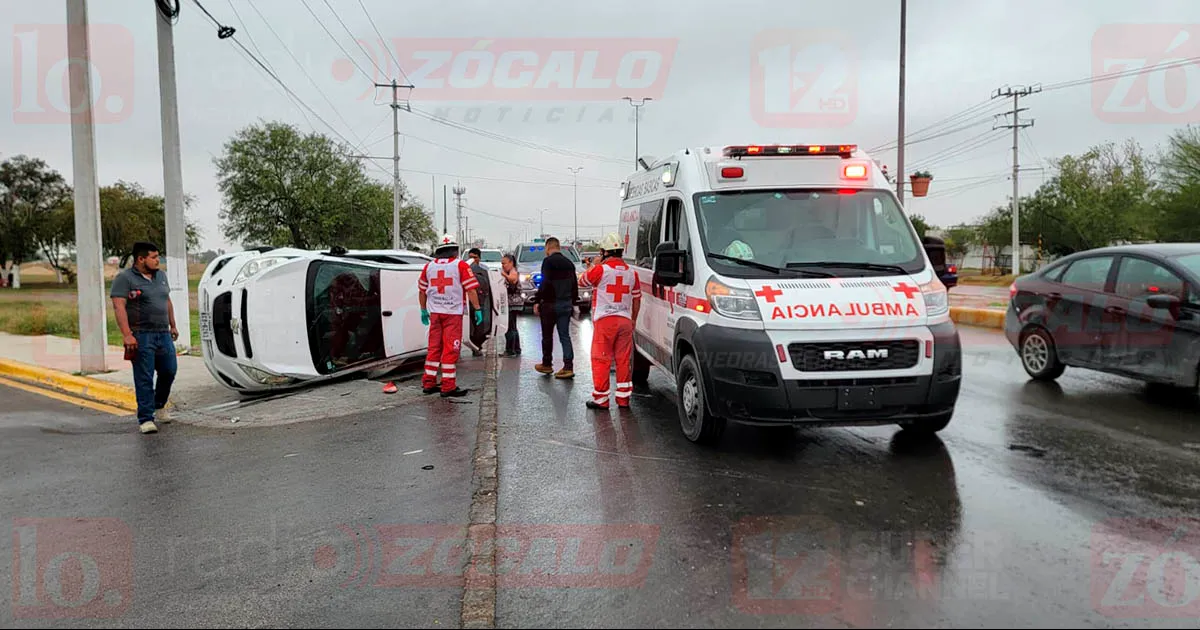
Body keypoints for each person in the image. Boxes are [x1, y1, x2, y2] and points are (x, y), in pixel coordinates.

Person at [382, 234, 482, 397]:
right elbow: (471, 289)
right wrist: (477, 309)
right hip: (452, 314)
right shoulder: (460, 266)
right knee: (451, 349)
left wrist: (423, 309)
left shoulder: (429, 267)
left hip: (435, 314)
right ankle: (448, 386)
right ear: (455, 251)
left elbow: (422, 290)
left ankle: (429, 382)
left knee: (434, 348)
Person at [110, 242, 178, 434]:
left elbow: (167, 300)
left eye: (158, 257)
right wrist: (127, 335)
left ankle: (159, 405)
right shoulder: (125, 279)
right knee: (144, 377)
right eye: (154, 257)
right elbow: (119, 306)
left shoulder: (161, 276)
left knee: (169, 371)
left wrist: (172, 325)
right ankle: (146, 418)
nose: (158, 260)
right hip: (141, 335)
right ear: (141, 259)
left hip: (163, 333)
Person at [580, 233, 641, 410]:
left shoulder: (600, 270)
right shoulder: (632, 273)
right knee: (623, 360)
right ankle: (623, 399)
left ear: (604, 252)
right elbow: (637, 299)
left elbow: (582, 281)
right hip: (625, 320)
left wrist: (594, 266)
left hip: (604, 320)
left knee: (601, 359)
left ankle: (601, 399)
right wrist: (633, 320)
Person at [532, 237, 578, 379]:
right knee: (565, 336)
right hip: (565, 304)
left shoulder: (548, 262)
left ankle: (547, 364)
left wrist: (538, 300)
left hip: (550, 304)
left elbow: (545, 283)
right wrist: (574, 302)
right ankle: (568, 367)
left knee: (547, 335)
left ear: (548, 247)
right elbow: (574, 284)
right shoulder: (569, 263)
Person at [500, 253, 521, 356]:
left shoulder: (513, 272)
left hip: (512, 303)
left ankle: (510, 350)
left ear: (511, 263)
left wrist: (504, 275)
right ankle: (516, 348)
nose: (503, 266)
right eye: (502, 264)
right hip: (512, 303)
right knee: (513, 327)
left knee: (510, 327)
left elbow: (513, 280)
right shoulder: (510, 271)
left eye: (504, 263)